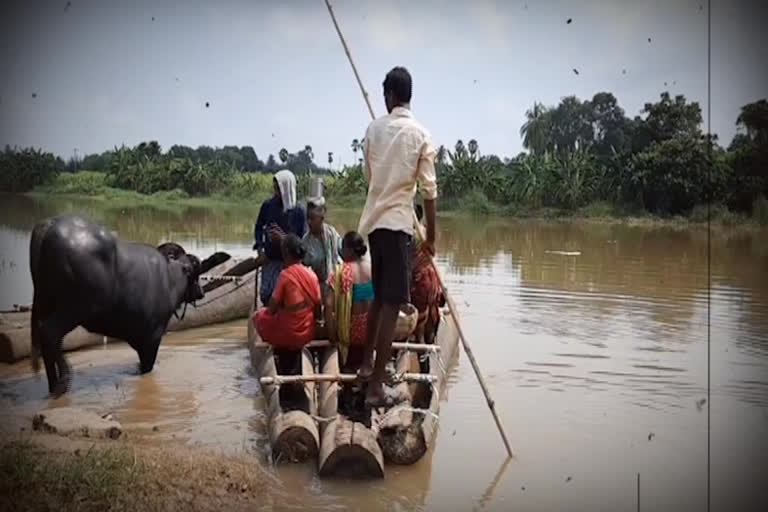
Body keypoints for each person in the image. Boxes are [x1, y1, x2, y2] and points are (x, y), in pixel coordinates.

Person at [356, 66, 438, 407]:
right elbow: (429, 192)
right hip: (399, 227)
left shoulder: (373, 130)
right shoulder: (421, 135)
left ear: (390, 95)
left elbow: (370, 176)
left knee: (379, 298)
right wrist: (431, 237)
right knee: (391, 304)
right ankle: (376, 387)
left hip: (376, 225)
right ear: (409, 96)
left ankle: (364, 367)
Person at [253, 234, 322, 350]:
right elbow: (318, 307)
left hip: (288, 334)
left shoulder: (285, 275)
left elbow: (272, 309)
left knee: (258, 316)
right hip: (308, 333)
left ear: (285, 253)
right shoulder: (312, 275)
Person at [253, 170, 306, 307]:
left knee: (287, 300)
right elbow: (259, 228)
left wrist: (283, 238)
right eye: (275, 188)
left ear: (287, 188)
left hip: (289, 264)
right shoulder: (268, 206)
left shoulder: (299, 211)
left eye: (279, 189)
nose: (276, 192)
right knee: (266, 296)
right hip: (270, 260)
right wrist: (260, 251)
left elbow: (302, 243)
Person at [324, 231, 373, 370]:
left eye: (343, 249)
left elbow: (328, 305)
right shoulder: (373, 269)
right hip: (372, 330)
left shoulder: (341, 272)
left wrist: (332, 335)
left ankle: (346, 381)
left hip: (350, 334)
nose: (341, 252)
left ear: (349, 250)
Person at [411, 204, 444, 345]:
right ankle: (426, 347)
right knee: (429, 314)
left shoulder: (412, 235)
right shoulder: (425, 232)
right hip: (430, 277)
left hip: (419, 280)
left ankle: (420, 344)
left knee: (420, 318)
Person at [302, 200, 342, 302]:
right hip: (318, 287)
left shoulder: (332, 234)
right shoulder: (306, 242)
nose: (309, 222)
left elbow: (343, 252)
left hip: (337, 283)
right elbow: (304, 268)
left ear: (321, 219)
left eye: (312, 218)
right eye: (308, 218)